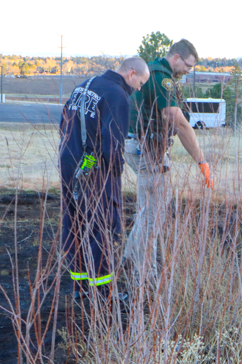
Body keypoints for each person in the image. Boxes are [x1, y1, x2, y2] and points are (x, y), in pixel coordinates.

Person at [59, 57, 150, 300]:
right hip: (96, 170)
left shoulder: (84, 86)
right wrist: (115, 175)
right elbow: (113, 145)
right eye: (140, 83)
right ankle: (102, 292)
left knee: (74, 222)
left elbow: (63, 124)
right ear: (131, 73)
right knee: (103, 226)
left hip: (68, 162)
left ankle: (80, 287)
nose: (138, 89)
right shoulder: (118, 96)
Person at [124, 39, 213, 279]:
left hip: (135, 145)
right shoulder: (162, 79)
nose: (188, 71)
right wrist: (201, 161)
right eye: (188, 65)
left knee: (147, 210)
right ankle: (145, 276)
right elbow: (179, 123)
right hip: (147, 150)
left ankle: (129, 259)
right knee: (154, 214)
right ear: (176, 58)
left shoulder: (150, 69)